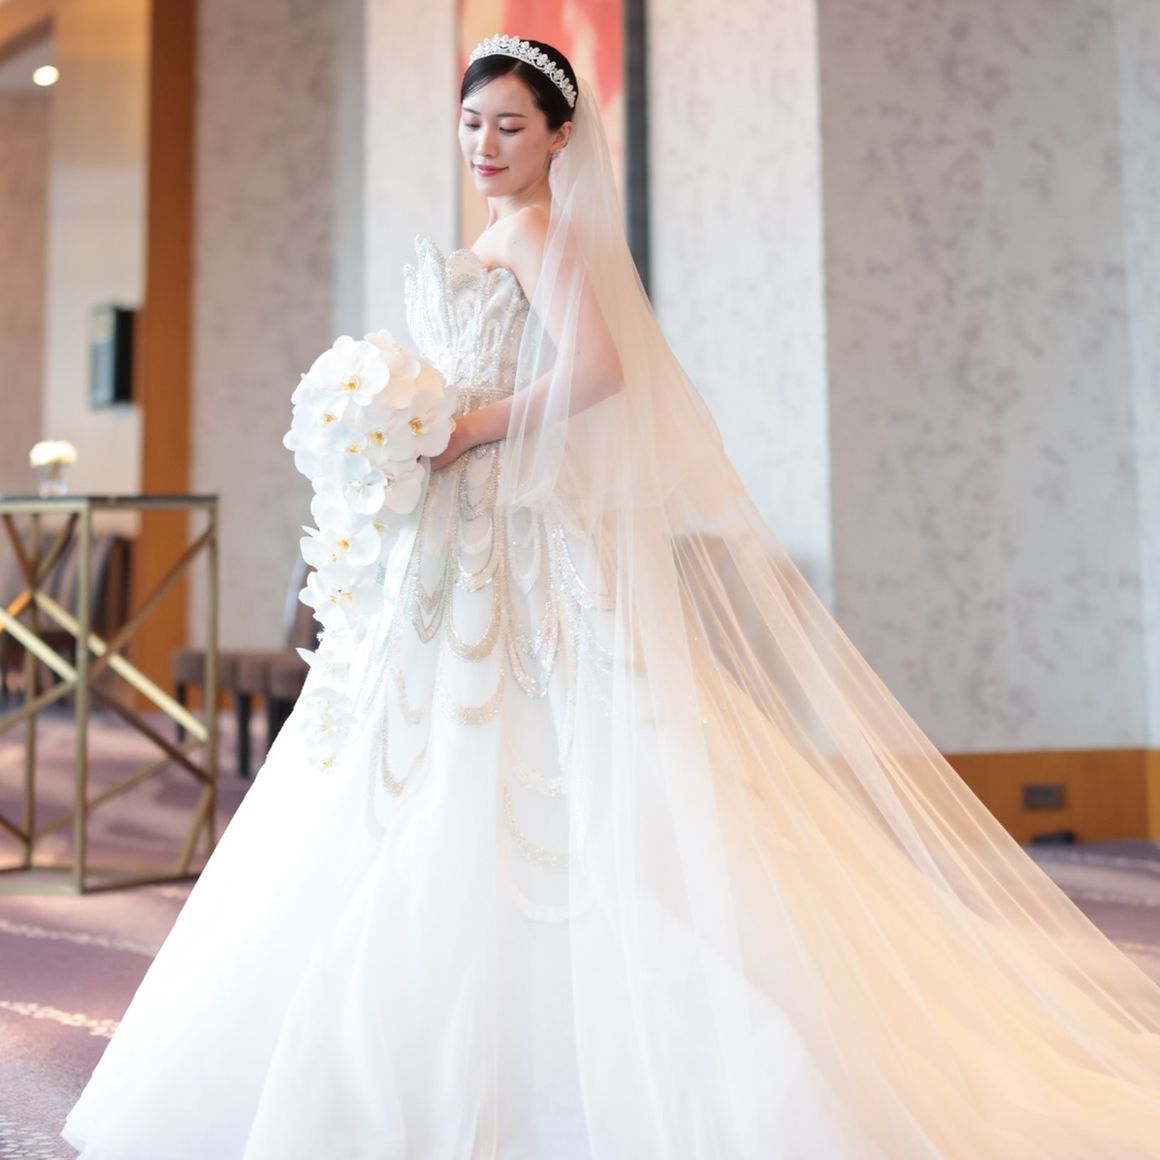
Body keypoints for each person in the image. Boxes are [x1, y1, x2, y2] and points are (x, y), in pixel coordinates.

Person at [63, 34, 1160, 1159]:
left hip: (505, 533)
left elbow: (597, 370)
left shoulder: (537, 231)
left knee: (516, 760)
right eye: (472, 123)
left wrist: (463, 427)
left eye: (511, 126)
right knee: (426, 756)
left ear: (558, 139)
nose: (485, 145)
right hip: (457, 533)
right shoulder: (499, 232)